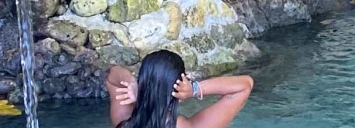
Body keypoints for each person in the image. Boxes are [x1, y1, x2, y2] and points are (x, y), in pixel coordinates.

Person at [106, 50, 254, 128]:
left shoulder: (124, 121)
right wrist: (193, 89)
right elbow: (244, 86)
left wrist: (132, 83)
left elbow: (112, 75)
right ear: (179, 85)